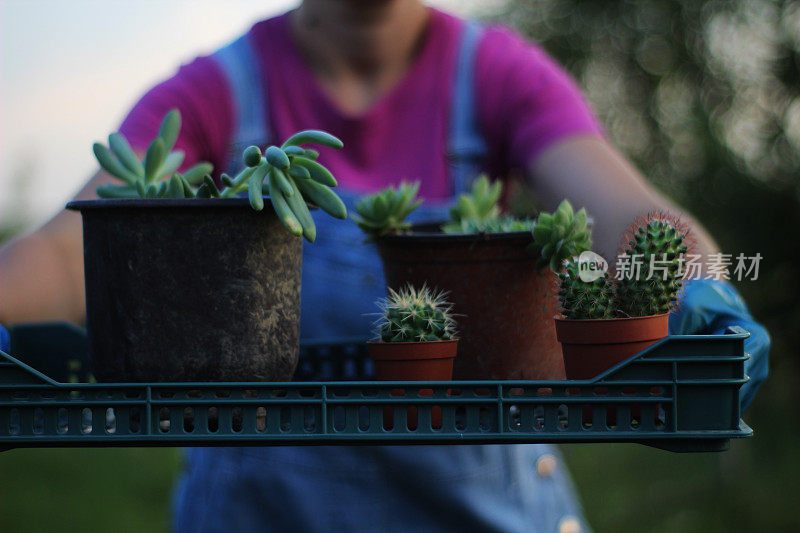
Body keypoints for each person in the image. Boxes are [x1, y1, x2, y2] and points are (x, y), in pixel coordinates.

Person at [0, 1, 769, 531]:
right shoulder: (217, 91)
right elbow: (76, 249)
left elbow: (626, 213)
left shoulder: (498, 75)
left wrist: (702, 289)